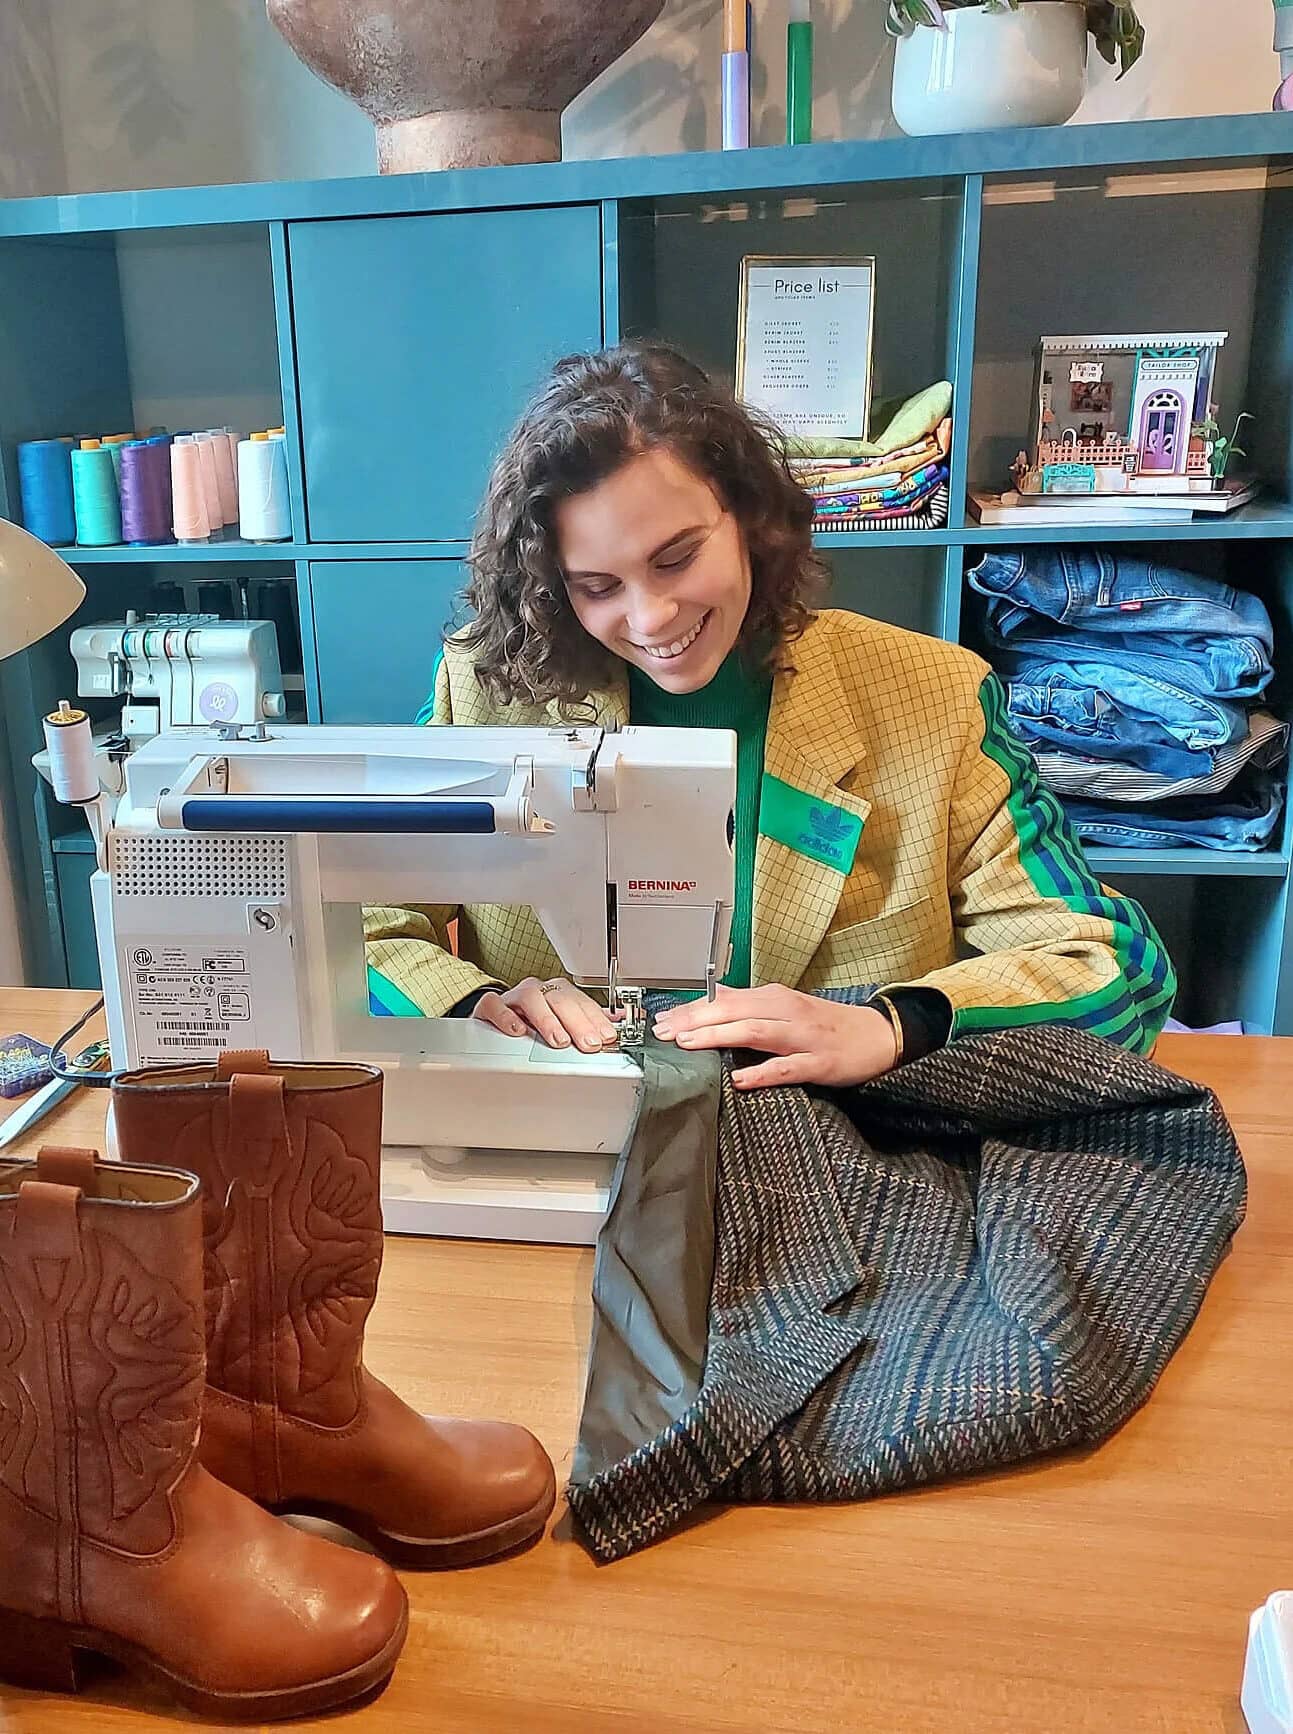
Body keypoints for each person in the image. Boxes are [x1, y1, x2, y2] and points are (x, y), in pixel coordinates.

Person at [365, 342, 1175, 1089]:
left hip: (843, 1149)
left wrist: (895, 1026)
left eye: (676, 558)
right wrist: (468, 1006)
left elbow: (1117, 973)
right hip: (565, 1135)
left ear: (751, 518)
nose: (649, 618)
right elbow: (358, 924)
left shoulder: (935, 699)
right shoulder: (488, 690)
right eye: (597, 587)